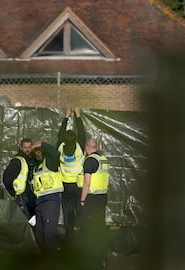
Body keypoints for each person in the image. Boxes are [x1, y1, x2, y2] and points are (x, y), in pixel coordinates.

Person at [78, 138, 110, 270]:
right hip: (102, 198)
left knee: (88, 231)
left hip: (91, 199)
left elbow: (87, 183)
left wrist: (82, 200)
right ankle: (102, 261)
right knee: (99, 229)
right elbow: (107, 182)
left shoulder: (89, 161)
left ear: (87, 147)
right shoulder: (103, 160)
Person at [56, 107, 86, 240]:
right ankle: (81, 233)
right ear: (75, 140)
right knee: (80, 208)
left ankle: (69, 236)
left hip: (65, 184)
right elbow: (82, 134)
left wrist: (66, 116)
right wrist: (77, 115)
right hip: (78, 184)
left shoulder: (60, 147)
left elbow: (60, 133)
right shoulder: (79, 148)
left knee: (67, 211)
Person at [31, 140, 63, 252]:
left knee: (49, 235)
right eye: (36, 151)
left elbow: (56, 153)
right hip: (39, 204)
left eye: (40, 151)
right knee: (40, 235)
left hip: (51, 202)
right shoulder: (36, 167)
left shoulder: (50, 163)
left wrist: (41, 144)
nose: (38, 153)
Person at [3, 138, 35, 219]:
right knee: (24, 219)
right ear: (20, 148)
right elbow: (7, 178)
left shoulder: (30, 160)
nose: (27, 150)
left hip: (29, 195)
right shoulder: (17, 161)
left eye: (29, 147)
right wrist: (13, 192)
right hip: (20, 195)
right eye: (25, 147)